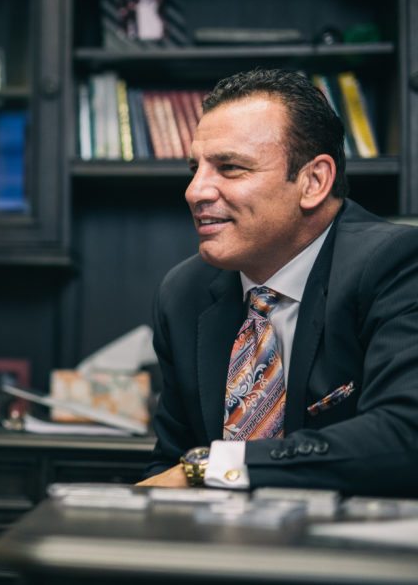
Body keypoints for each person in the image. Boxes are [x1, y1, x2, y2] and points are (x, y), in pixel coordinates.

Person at [138, 68, 418, 495]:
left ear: (313, 182)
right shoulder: (185, 292)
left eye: (229, 168)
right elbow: (171, 461)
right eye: (196, 169)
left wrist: (214, 466)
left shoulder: (396, 266)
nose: (195, 191)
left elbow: (404, 438)